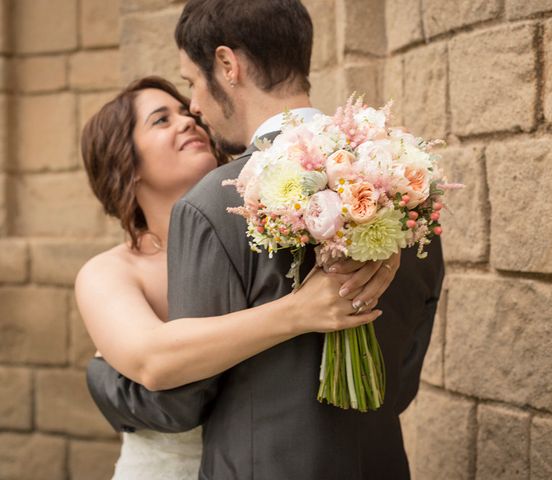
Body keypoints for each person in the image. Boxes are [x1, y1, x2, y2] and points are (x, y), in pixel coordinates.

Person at [86, 1, 445, 479]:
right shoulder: (405, 186)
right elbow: (399, 380)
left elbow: (186, 396)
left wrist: (102, 377)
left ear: (227, 65)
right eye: (162, 118)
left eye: (191, 83)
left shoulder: (212, 205)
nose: (193, 110)